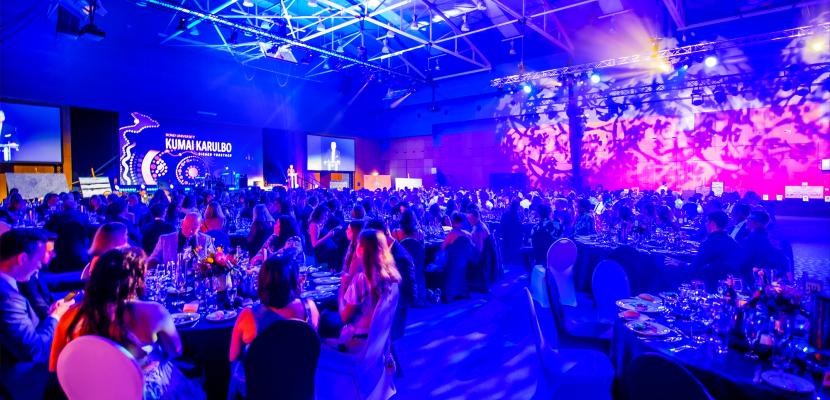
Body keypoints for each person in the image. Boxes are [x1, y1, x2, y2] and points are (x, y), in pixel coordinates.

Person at [49, 247, 204, 399]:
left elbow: (54, 368)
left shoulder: (69, 316)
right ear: (136, 280)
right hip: (139, 393)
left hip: (89, 393)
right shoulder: (153, 312)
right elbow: (175, 351)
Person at [228, 250, 319, 399]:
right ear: (293, 281)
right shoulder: (310, 309)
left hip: (262, 393)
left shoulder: (247, 317)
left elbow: (232, 358)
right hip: (300, 390)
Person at [0, 229, 74, 399]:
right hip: (22, 381)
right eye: (39, 259)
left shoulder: (10, 285)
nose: (40, 265)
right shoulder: (7, 298)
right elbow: (33, 351)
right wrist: (55, 317)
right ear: (22, 259)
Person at [335, 229, 401, 353]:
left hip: (359, 340)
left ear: (363, 250)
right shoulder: (392, 276)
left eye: (359, 244)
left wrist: (342, 288)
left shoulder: (362, 280)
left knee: (323, 318)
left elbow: (344, 317)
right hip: (379, 337)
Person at [667, 211, 744, 290]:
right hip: (728, 283)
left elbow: (693, 268)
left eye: (707, 221)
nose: (706, 224)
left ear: (712, 224)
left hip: (708, 283)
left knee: (669, 272)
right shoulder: (733, 242)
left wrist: (679, 263)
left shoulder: (709, 242)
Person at [147, 212, 215, 268]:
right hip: (171, 281)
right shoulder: (165, 240)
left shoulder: (205, 240)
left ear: (199, 227)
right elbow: (153, 259)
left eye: (194, 228)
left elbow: (213, 260)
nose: (190, 231)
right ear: (182, 223)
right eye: (187, 227)